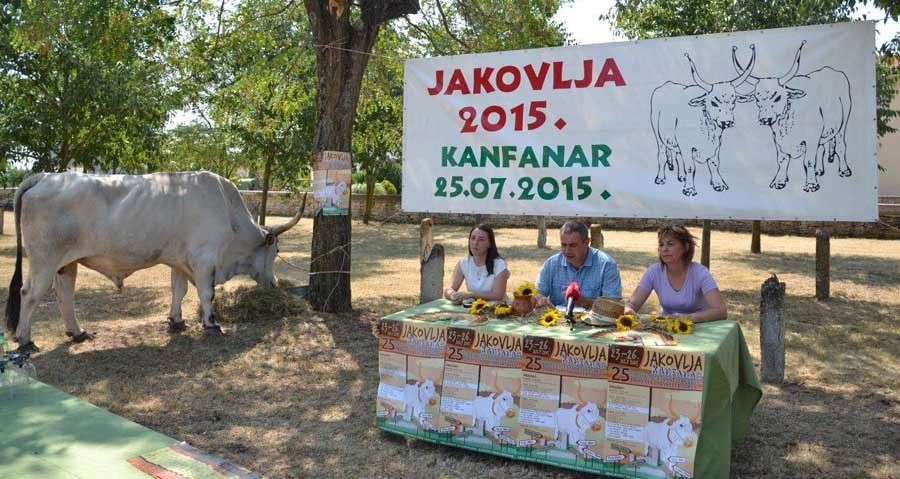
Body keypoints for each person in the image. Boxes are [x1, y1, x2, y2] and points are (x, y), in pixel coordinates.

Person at [623, 224, 727, 322]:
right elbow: (633, 303)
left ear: (685, 247)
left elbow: (721, 311)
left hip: (700, 327)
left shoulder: (700, 273)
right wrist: (628, 309)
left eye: (670, 244)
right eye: (661, 245)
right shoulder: (654, 271)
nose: (664, 249)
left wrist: (688, 318)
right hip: (667, 329)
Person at [535, 221, 622, 308]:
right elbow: (537, 293)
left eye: (573, 245)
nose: (567, 251)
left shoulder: (606, 265)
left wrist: (586, 302)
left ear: (587, 242)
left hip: (593, 321)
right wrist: (540, 299)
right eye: (564, 245)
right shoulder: (551, 264)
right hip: (556, 319)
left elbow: (613, 305)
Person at [445, 224, 510, 304]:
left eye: (481, 240)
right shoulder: (464, 263)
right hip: (473, 310)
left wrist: (470, 295)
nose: (475, 243)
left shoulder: (499, 265)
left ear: (489, 244)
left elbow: (498, 295)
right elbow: (449, 289)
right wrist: (453, 295)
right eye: (473, 238)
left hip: (497, 311)